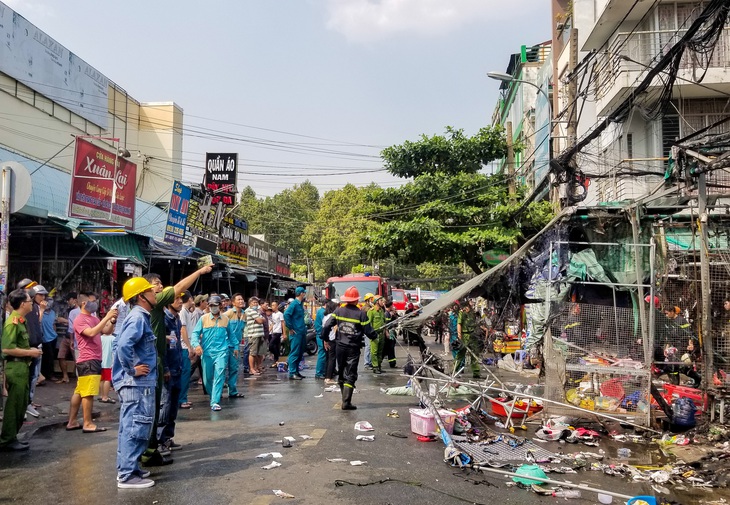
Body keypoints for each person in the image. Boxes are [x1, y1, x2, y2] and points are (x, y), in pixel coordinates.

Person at [141, 265, 212, 466]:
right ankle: (142, 456)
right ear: (143, 291)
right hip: (150, 367)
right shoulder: (146, 311)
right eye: (157, 285)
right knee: (153, 411)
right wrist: (199, 272)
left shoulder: (157, 312)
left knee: (160, 408)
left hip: (159, 364)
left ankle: (153, 449)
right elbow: (126, 345)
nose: (161, 287)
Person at [113, 277, 158, 488]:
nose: (155, 293)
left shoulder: (140, 316)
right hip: (136, 383)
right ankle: (127, 475)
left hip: (137, 383)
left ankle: (130, 468)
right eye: (151, 291)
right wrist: (132, 369)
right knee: (135, 425)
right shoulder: (138, 317)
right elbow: (123, 346)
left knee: (132, 425)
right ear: (141, 296)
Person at [65, 293, 117, 432]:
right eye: (92, 301)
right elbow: (92, 333)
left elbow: (105, 330)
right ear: (84, 303)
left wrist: (111, 321)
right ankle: (87, 423)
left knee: (80, 391)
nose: (95, 303)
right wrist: (106, 317)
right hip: (88, 359)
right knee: (88, 393)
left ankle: (72, 421)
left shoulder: (93, 318)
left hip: (92, 359)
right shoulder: (79, 319)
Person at [0, 289, 42, 451]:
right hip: (16, 368)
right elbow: (7, 349)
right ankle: (7, 439)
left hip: (23, 367)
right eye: (30, 301)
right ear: (23, 304)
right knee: (14, 405)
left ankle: (12, 436)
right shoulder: (13, 322)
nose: (32, 304)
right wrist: (30, 352)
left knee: (22, 404)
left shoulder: (21, 320)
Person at [322, 286, 375, 410]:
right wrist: (374, 335)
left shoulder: (338, 311)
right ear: (356, 300)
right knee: (350, 374)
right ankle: (346, 402)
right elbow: (369, 331)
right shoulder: (361, 314)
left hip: (340, 346)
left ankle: (344, 399)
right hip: (353, 348)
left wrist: (325, 338)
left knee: (341, 372)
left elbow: (326, 326)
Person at [191, 295, 234, 411]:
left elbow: (232, 336)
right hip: (207, 353)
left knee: (220, 374)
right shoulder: (203, 319)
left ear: (220, 306)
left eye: (215, 305)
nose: (213, 307)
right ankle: (213, 395)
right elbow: (195, 334)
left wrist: (235, 347)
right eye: (211, 305)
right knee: (207, 378)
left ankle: (215, 401)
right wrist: (196, 345)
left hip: (222, 351)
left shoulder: (225, 319)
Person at [158, 293, 185, 454]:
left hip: (177, 367)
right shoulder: (163, 319)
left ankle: (168, 437)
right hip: (168, 370)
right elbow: (162, 349)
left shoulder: (176, 319)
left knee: (173, 406)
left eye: (181, 299)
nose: (180, 302)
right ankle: (160, 440)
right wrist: (166, 368)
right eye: (177, 299)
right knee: (164, 406)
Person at [25, 284, 46, 418]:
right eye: (40, 295)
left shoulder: (35, 308)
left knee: (34, 376)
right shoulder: (25, 310)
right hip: (29, 348)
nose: (42, 297)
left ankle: (28, 402)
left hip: (36, 345)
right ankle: (25, 404)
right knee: (29, 377)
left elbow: (36, 325)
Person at [223, 293, 246, 398]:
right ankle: (217, 394)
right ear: (233, 302)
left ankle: (232, 391)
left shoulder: (244, 314)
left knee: (234, 368)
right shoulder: (228, 314)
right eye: (238, 299)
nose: (241, 301)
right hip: (225, 345)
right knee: (222, 369)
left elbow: (242, 329)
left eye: (242, 299)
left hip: (235, 346)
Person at [284, 287, 308, 380]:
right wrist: (290, 327)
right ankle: (292, 372)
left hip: (301, 331)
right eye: (304, 293)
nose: (304, 294)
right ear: (301, 293)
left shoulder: (300, 304)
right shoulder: (294, 304)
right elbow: (286, 314)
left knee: (300, 352)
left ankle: (296, 371)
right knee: (294, 352)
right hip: (296, 332)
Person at [178, 292, 196, 409]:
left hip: (185, 345)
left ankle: (183, 398)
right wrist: (189, 347)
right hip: (184, 346)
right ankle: (182, 399)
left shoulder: (186, 311)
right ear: (190, 298)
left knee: (185, 373)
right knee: (185, 373)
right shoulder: (182, 312)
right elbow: (183, 330)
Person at [54, 292, 77, 384]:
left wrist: (66, 321)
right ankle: (65, 376)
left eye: (69, 300)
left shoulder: (79, 311)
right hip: (66, 336)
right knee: (61, 356)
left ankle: (78, 378)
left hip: (75, 338)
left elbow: (77, 324)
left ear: (74, 300)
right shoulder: (68, 310)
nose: (68, 302)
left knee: (77, 358)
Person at [456, 303, 481, 379]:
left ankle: (476, 372)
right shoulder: (461, 313)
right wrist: (459, 335)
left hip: (473, 335)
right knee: (461, 354)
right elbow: (459, 324)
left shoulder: (472, 314)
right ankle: (455, 370)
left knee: (475, 354)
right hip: (464, 335)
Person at [244, 297, 266, 375]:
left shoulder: (257, 311)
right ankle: (251, 369)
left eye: (256, 302)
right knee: (252, 353)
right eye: (254, 302)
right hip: (253, 335)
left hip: (260, 334)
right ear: (250, 303)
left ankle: (258, 367)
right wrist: (260, 319)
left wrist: (260, 319)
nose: (255, 304)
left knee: (260, 353)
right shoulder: (249, 311)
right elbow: (260, 320)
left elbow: (263, 319)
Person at [367, 296, 387, 374]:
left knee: (380, 351)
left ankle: (379, 366)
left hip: (382, 334)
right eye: (381, 300)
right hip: (375, 334)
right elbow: (369, 324)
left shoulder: (382, 311)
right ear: (377, 301)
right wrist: (371, 334)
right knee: (374, 351)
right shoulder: (371, 311)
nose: (383, 302)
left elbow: (384, 322)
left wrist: (386, 332)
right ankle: (375, 367)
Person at [40, 294, 57, 382]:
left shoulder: (53, 313)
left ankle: (47, 374)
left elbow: (53, 324)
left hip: (53, 337)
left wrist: (55, 332)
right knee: (48, 357)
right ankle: (48, 374)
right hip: (45, 338)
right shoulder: (41, 313)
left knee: (51, 356)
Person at [322, 301, 338, 385]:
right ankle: (328, 378)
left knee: (328, 358)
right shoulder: (333, 317)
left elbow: (324, 330)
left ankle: (326, 376)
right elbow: (335, 328)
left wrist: (325, 340)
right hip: (332, 339)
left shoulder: (325, 317)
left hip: (326, 339)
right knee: (332, 359)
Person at [268, 301, 286, 368]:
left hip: (278, 332)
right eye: (272, 305)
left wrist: (284, 334)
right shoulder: (272, 314)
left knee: (271, 346)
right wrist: (268, 331)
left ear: (277, 306)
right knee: (275, 346)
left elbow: (283, 323)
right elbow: (272, 324)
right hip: (273, 332)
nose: (272, 307)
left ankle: (277, 356)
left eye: (274, 305)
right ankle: (276, 361)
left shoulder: (280, 314)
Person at [383, 300, 398, 369]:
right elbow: (386, 325)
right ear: (390, 306)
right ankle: (392, 363)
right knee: (390, 348)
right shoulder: (386, 314)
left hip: (390, 332)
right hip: (389, 333)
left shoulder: (389, 313)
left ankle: (392, 363)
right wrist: (387, 333)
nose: (393, 307)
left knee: (389, 349)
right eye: (392, 305)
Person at [361, 293, 375, 369]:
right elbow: (367, 311)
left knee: (370, 346)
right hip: (367, 329)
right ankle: (367, 363)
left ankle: (370, 362)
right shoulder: (365, 308)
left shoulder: (370, 307)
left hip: (370, 329)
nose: (372, 301)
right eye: (371, 299)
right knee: (368, 346)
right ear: (367, 300)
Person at [314, 301, 327, 379]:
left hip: (320, 334)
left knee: (323, 354)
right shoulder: (323, 312)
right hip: (321, 335)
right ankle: (319, 373)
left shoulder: (320, 311)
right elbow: (325, 324)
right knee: (322, 354)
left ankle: (322, 371)